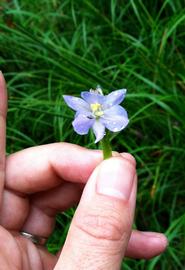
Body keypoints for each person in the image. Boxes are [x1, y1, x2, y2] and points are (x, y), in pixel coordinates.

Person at [0, 71, 167, 269]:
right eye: (94, 107)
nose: (96, 109)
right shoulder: (85, 112)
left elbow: (114, 101)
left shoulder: (108, 106)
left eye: (98, 106)